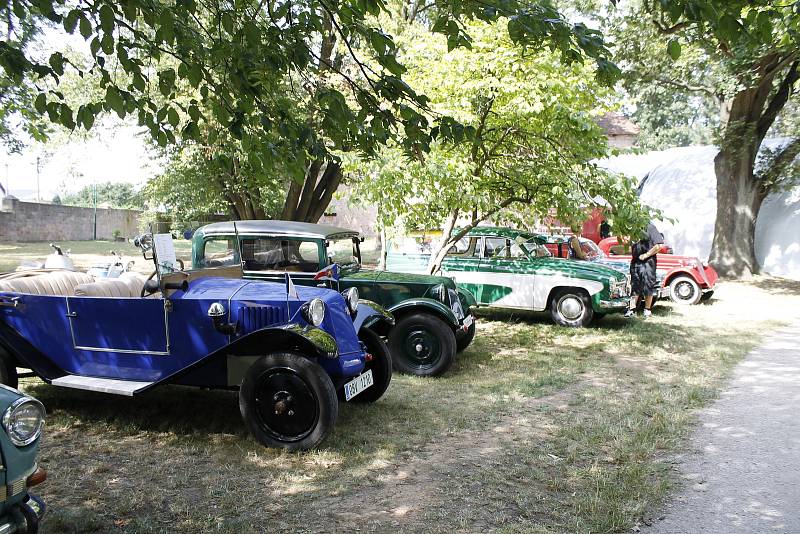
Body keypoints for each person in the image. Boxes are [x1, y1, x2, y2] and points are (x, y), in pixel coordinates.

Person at [625, 222, 664, 318]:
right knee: (634, 286)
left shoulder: (650, 227)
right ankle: (632, 310)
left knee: (648, 285)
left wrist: (646, 255)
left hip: (648, 262)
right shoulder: (633, 229)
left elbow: (659, 245)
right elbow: (631, 247)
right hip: (635, 262)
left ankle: (647, 310)